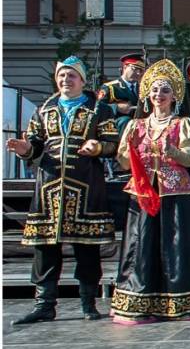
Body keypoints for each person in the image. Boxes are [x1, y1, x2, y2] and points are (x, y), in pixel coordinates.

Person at [8, 56, 119, 324]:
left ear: (82, 80)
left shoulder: (98, 110)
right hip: (49, 186)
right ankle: (44, 304)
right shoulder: (44, 110)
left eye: (71, 76)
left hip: (85, 185)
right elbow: (35, 143)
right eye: (61, 76)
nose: (65, 80)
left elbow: (113, 143)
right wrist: (27, 150)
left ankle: (88, 301)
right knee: (45, 248)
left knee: (87, 247)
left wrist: (99, 148)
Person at [112, 59, 190, 323]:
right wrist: (131, 150)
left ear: (174, 96)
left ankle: (182, 300)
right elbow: (123, 162)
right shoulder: (135, 126)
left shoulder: (182, 124)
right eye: (155, 90)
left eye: (165, 90)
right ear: (148, 94)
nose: (159, 95)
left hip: (174, 190)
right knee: (142, 243)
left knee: (176, 244)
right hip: (143, 190)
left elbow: (189, 158)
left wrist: (171, 151)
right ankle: (140, 300)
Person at [99, 52, 147, 135]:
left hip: (139, 124)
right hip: (116, 126)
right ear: (125, 67)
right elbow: (98, 107)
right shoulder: (110, 87)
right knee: (125, 120)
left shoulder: (144, 89)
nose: (138, 73)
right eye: (135, 69)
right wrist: (116, 107)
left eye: (141, 70)